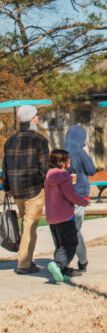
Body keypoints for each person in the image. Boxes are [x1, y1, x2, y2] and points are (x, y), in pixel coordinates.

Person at [1, 104, 50, 274]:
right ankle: (23, 264)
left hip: (16, 191)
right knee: (29, 227)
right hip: (35, 190)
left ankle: (28, 260)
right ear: (31, 119)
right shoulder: (40, 140)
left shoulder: (10, 141)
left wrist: (7, 187)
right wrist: (48, 186)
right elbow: (45, 168)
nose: (38, 118)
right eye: (36, 116)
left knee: (27, 225)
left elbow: (5, 167)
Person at [44, 148, 89, 283]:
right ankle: (57, 264)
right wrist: (82, 202)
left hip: (52, 217)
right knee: (71, 243)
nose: (70, 161)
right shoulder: (64, 176)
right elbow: (70, 195)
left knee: (60, 245)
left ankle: (62, 271)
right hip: (65, 216)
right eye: (68, 159)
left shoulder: (48, 176)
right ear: (62, 161)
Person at [64, 124, 96, 272]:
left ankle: (65, 259)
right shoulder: (80, 153)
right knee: (76, 229)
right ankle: (82, 260)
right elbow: (91, 170)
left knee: (67, 228)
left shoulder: (62, 152)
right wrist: (87, 154)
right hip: (81, 194)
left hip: (64, 195)